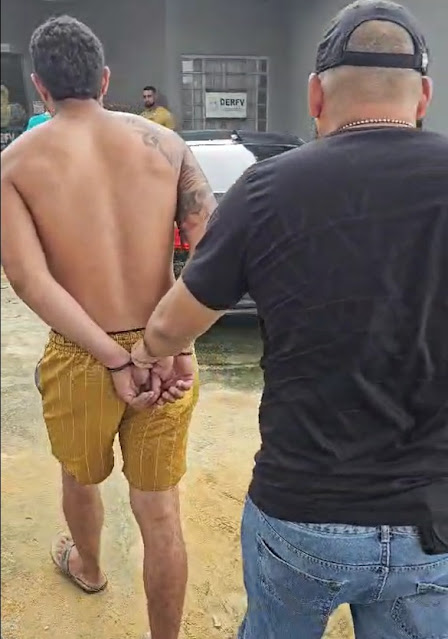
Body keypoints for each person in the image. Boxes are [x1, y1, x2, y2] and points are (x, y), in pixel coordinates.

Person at [131, 2, 448, 638]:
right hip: (433, 519)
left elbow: (171, 326)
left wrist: (145, 357)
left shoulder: (267, 189)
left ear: (315, 96)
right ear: (424, 97)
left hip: (303, 509)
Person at [1, 15, 215, 639]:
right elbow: (214, 255)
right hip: (164, 345)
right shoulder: (167, 145)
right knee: (160, 509)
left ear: (40, 87)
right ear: (105, 79)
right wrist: (172, 341)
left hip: (80, 353)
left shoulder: (14, 164)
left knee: (79, 475)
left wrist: (116, 358)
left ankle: (89, 568)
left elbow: (29, 281)